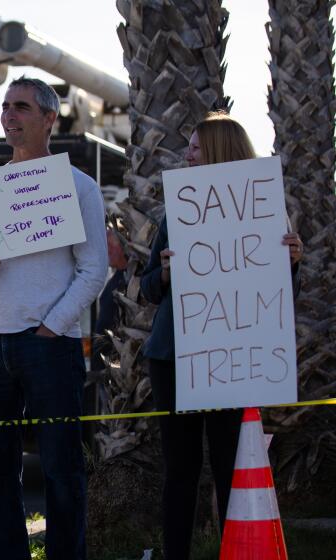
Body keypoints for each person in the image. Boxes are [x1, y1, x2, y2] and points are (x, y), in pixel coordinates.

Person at [0, 77, 108, 559]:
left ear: (48, 118)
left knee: (63, 469)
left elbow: (94, 269)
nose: (8, 115)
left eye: (20, 107)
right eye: (4, 107)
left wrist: (51, 327)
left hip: (49, 345)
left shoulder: (79, 187)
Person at [139, 111, 304, 560]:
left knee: (234, 465)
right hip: (174, 357)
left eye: (194, 146)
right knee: (181, 470)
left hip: (231, 356)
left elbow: (280, 299)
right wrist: (167, 272)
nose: (187, 154)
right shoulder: (178, 213)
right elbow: (147, 286)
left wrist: (291, 263)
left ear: (217, 150)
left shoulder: (266, 210)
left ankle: (240, 551)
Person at [90, 223, 128, 372]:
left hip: (118, 365)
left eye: (112, 246)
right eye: (105, 247)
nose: (107, 251)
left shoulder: (130, 280)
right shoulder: (114, 280)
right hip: (106, 366)